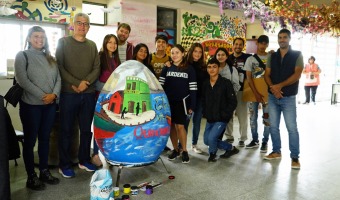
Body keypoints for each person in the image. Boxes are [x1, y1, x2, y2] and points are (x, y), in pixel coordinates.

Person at [15, 26, 61, 190]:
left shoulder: (50, 57)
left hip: (49, 107)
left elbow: (58, 79)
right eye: (36, 36)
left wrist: (54, 96)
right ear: (28, 38)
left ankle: (44, 171)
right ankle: (31, 176)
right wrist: (44, 96)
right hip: (31, 107)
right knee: (30, 141)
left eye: (42, 37)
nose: (39, 39)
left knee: (44, 139)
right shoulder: (22, 56)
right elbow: (23, 81)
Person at [56, 13, 100, 178]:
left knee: (86, 131)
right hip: (69, 94)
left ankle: (83, 160)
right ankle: (64, 164)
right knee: (66, 130)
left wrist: (85, 83)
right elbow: (59, 66)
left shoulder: (92, 45)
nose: (82, 26)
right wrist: (76, 83)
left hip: (88, 94)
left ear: (89, 27)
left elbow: (97, 68)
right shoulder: (63, 42)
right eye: (79, 23)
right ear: (73, 25)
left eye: (85, 24)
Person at [264, 28, 304, 170]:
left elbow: (297, 75)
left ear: (289, 39)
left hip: (288, 98)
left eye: (284, 37)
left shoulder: (297, 55)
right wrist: (273, 89)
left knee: (291, 128)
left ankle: (295, 157)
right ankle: (276, 151)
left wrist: (278, 86)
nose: (282, 39)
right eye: (280, 37)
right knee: (273, 126)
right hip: (273, 97)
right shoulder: (272, 56)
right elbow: (266, 74)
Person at [159, 44, 197, 164]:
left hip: (182, 103)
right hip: (168, 103)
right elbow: (160, 85)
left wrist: (192, 105)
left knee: (180, 126)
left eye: (177, 52)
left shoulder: (189, 68)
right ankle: (175, 149)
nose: (174, 55)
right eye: (172, 53)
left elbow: (193, 88)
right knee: (171, 127)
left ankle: (184, 150)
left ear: (183, 53)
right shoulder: (167, 67)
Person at [202, 57, 238, 162]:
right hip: (210, 117)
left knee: (212, 139)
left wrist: (225, 114)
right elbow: (203, 100)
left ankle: (212, 154)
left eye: (214, 67)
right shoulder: (205, 84)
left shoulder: (226, 83)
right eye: (209, 67)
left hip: (222, 118)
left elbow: (233, 102)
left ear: (219, 69)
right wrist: (205, 112)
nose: (211, 69)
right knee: (206, 141)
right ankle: (230, 148)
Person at [92, 34, 121, 167]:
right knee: (99, 126)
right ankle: (96, 154)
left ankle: (111, 154)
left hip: (114, 99)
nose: (112, 45)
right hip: (100, 98)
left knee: (112, 126)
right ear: (105, 43)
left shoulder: (117, 60)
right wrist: (106, 90)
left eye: (115, 43)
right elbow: (95, 80)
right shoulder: (99, 58)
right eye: (109, 42)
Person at [244, 35, 270, 152]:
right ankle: (255, 140)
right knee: (253, 117)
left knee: (267, 118)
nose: (263, 46)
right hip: (253, 92)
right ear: (257, 44)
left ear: (267, 45)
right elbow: (249, 78)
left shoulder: (271, 58)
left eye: (265, 44)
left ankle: (265, 141)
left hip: (267, 93)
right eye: (261, 43)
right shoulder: (250, 59)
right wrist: (256, 93)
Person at [224, 38, 251, 147]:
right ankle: (229, 137)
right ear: (233, 45)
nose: (238, 46)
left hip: (242, 91)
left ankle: (243, 138)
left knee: (242, 116)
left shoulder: (248, 58)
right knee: (228, 115)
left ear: (243, 46)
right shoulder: (228, 58)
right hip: (229, 92)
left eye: (240, 44)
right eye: (236, 44)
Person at [183, 43, 209, 154]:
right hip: (187, 98)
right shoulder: (184, 64)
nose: (197, 54)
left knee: (197, 122)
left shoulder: (204, 66)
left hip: (199, 99)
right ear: (191, 51)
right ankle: (181, 145)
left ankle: (194, 144)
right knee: (185, 122)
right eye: (195, 51)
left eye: (200, 52)